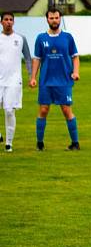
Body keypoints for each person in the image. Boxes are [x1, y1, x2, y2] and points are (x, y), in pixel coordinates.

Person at [29, 8, 80, 151]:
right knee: (44, 110)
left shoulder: (68, 37)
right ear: (47, 20)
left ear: (60, 18)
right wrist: (33, 77)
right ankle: (40, 143)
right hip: (46, 81)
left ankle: (75, 143)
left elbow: (75, 57)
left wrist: (75, 72)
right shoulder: (41, 38)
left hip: (64, 81)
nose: (54, 20)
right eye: (51, 18)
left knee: (66, 110)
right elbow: (37, 59)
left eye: (56, 18)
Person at [0, 12, 33, 152]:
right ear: (1, 22)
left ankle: (9, 143)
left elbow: (28, 58)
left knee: (9, 111)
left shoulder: (20, 39)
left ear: (14, 22)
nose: (8, 22)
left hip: (14, 81)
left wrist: (32, 76)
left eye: (11, 20)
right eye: (5, 19)